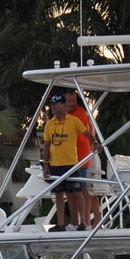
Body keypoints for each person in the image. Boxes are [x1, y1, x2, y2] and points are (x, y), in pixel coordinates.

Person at [42, 93, 99, 232]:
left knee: (78, 192)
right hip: (56, 164)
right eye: (52, 104)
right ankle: (60, 224)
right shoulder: (49, 124)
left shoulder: (73, 120)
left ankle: (83, 223)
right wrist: (45, 164)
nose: (53, 106)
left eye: (56, 103)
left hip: (72, 164)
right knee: (59, 195)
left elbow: (87, 133)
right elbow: (46, 145)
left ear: (63, 105)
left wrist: (95, 143)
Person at [64, 90, 102, 228]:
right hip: (74, 157)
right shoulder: (63, 116)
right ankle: (82, 221)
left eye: (73, 100)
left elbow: (89, 131)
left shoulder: (81, 114)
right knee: (79, 191)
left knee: (89, 191)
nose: (71, 103)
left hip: (87, 155)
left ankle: (93, 221)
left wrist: (92, 146)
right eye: (69, 101)